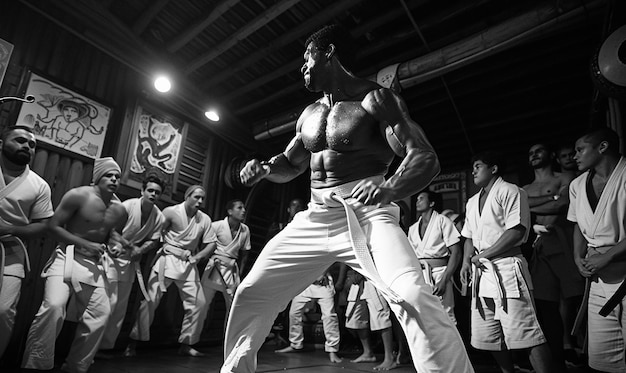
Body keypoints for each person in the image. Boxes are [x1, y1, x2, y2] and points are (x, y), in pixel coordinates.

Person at [225, 24, 473, 373]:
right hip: (316, 216)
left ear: (329, 52)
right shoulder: (308, 115)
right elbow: (289, 164)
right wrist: (265, 169)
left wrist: (389, 188)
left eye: (306, 57)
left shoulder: (376, 100)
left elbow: (425, 157)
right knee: (252, 291)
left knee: (413, 296)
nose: (302, 68)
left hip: (367, 214)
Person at [22, 157, 128, 373]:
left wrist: (116, 246)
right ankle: (36, 364)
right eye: (109, 175)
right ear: (97, 177)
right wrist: (85, 243)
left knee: (101, 314)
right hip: (67, 255)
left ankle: (76, 367)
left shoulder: (120, 210)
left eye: (117, 176)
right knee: (53, 306)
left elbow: (113, 235)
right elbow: (53, 226)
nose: (114, 179)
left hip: (95, 264)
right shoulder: (78, 195)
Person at [459, 151, 553, 373]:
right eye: (473, 166)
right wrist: (465, 262)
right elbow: (469, 237)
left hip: (507, 267)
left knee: (526, 333)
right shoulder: (472, 202)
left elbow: (516, 231)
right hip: (482, 271)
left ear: (494, 169)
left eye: (478, 165)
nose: (473, 170)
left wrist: (482, 256)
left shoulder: (511, 191)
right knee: (489, 334)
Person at [126, 185, 216, 357]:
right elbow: (156, 232)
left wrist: (198, 257)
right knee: (149, 302)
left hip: (188, 263)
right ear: (187, 196)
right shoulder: (170, 212)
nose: (200, 201)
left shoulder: (204, 219)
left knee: (199, 303)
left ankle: (187, 343)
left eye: (202, 198)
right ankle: (133, 341)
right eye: (197, 197)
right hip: (167, 260)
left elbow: (211, 243)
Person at [567, 128, 626, 373]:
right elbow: (580, 226)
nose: (575, 156)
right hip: (598, 278)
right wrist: (577, 257)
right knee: (603, 358)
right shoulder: (577, 184)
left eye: (580, 150)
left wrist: (608, 256)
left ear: (602, 147)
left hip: (621, 268)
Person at [522, 143, 585, 370]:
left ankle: (574, 344)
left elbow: (565, 204)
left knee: (573, 297)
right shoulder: (525, 188)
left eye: (538, 150)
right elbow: (523, 207)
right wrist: (553, 199)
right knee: (545, 301)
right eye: (530, 152)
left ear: (551, 154)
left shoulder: (565, 176)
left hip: (564, 238)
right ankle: (557, 352)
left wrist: (535, 205)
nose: (534, 154)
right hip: (540, 245)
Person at [0, 126, 54, 358]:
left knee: (4, 311)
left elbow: (44, 224)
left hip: (10, 251)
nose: (27, 146)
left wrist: (10, 228)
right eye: (20, 140)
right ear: (1, 143)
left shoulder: (39, 185)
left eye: (31, 145)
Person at [98, 176, 166, 353]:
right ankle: (92, 346)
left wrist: (140, 251)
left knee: (120, 307)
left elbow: (154, 240)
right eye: (150, 190)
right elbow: (111, 229)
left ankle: (106, 347)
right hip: (112, 255)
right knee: (108, 303)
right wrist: (129, 246)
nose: (153, 194)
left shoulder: (158, 216)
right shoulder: (128, 206)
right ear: (142, 191)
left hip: (129, 261)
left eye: (157, 192)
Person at [407, 190, 461, 324]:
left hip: (440, 272)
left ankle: (452, 345)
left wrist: (445, 279)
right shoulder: (413, 228)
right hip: (420, 274)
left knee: (445, 314)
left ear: (431, 203)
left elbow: (456, 252)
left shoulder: (443, 221)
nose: (417, 201)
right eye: (417, 199)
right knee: (423, 315)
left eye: (421, 198)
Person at [275, 268, 343, 363]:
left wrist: (322, 274)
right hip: (305, 281)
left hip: (322, 283)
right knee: (294, 313)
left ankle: (332, 349)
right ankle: (295, 344)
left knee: (329, 316)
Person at [201, 199, 251, 322]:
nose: (243, 211)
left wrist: (240, 272)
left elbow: (245, 253)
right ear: (230, 211)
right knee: (201, 305)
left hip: (231, 270)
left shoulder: (245, 230)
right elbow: (205, 246)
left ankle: (228, 340)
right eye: (239, 208)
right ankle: (190, 339)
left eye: (243, 208)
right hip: (215, 266)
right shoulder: (217, 226)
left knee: (234, 308)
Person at [344, 270, 396, 370]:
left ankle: (389, 358)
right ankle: (368, 353)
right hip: (357, 281)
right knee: (355, 318)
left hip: (373, 279)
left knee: (381, 319)